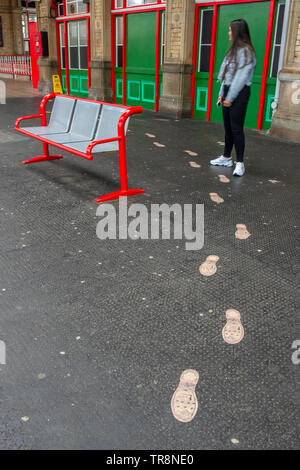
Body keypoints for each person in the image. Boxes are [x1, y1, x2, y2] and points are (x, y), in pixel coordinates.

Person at [210, 19, 256, 176]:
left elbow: (240, 77)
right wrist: (221, 94)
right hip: (229, 90)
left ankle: (240, 163)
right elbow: (227, 76)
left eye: (230, 30)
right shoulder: (232, 51)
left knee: (236, 129)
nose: (229, 33)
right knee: (228, 128)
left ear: (237, 32)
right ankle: (226, 157)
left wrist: (230, 97)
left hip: (240, 92)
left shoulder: (247, 52)